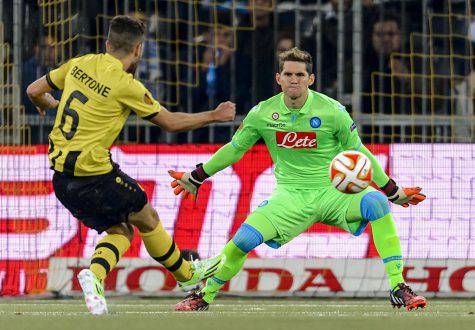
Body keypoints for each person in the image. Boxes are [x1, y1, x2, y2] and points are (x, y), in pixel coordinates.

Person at [169, 47, 427, 311]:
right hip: (290, 196)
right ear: (278, 78)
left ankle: (398, 287)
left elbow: (359, 151)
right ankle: (204, 297)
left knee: (376, 203)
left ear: (310, 79)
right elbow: (235, 149)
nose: (294, 79)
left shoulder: (333, 111)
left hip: (333, 194)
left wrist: (393, 191)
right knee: (243, 241)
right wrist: (198, 176)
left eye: (300, 75)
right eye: (289, 74)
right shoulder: (262, 114)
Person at [26, 15, 235, 315]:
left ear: (108, 43)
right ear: (138, 49)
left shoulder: (79, 63)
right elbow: (170, 122)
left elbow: (34, 90)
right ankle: (189, 275)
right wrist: (214, 115)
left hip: (61, 180)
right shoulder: (127, 85)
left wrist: (49, 105)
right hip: (95, 175)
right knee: (147, 216)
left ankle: (95, 275)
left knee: (121, 230)